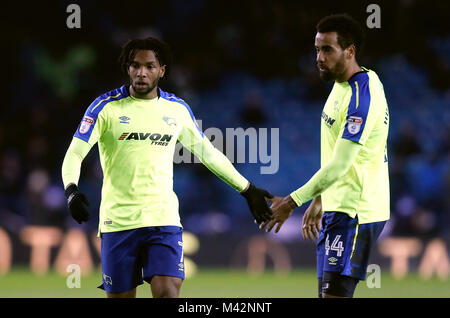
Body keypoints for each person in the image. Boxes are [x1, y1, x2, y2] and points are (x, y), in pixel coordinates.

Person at [61, 37, 273, 298]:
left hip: (163, 221)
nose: (141, 72)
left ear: (162, 71)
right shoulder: (105, 107)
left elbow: (208, 154)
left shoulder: (177, 109)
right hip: (118, 222)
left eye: (150, 66)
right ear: (127, 68)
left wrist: (247, 188)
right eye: (135, 65)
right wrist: (71, 189)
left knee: (168, 292)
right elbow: (75, 152)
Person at [260, 14, 390, 298]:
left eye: (327, 49)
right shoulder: (340, 85)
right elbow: (338, 153)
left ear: (350, 51)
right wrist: (321, 198)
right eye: (317, 49)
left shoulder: (361, 97)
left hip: (356, 210)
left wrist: (291, 201)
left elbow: (341, 164)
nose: (319, 57)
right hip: (338, 206)